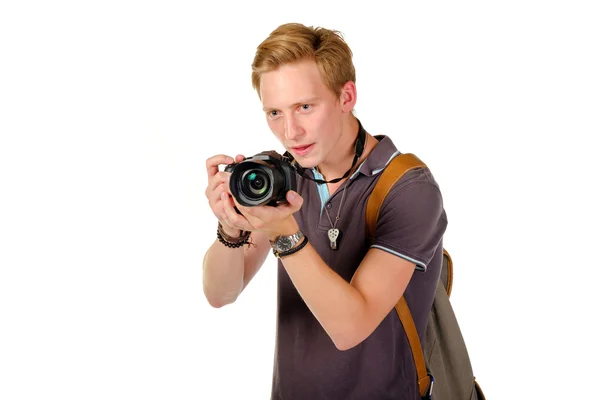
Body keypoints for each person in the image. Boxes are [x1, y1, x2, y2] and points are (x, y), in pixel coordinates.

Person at [202, 22, 448, 400]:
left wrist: (286, 232)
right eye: (274, 113)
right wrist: (229, 229)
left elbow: (350, 327)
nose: (290, 132)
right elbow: (220, 294)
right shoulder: (279, 176)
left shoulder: (408, 188)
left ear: (346, 96)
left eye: (304, 107)